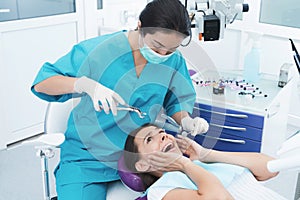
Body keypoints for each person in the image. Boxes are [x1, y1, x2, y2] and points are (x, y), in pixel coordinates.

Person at [31, 0, 209, 199]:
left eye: (171, 49)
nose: (163, 54)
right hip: (87, 159)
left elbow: (177, 99)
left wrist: (185, 119)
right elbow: (42, 82)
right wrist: (84, 85)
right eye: (157, 46)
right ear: (140, 26)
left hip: (140, 162)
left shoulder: (173, 61)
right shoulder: (100, 51)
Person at [123, 123, 287, 200]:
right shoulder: (161, 190)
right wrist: (183, 164)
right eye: (149, 139)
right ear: (143, 165)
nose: (163, 136)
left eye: (162, 132)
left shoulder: (203, 164)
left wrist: (207, 155)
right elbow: (218, 198)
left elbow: (271, 168)